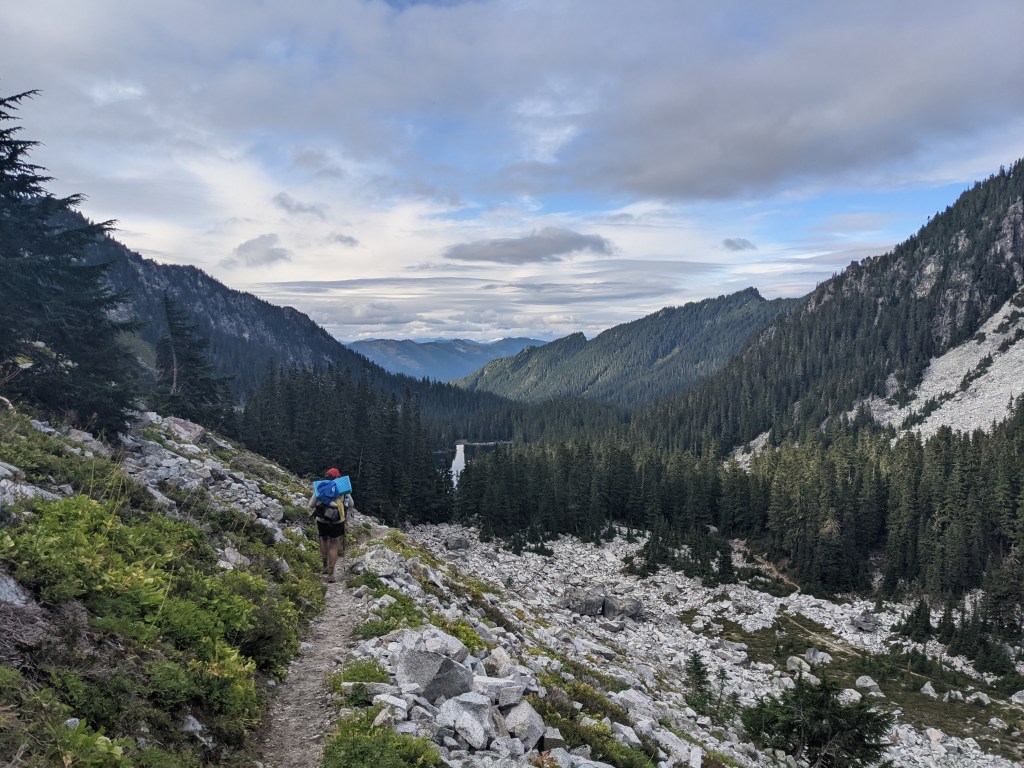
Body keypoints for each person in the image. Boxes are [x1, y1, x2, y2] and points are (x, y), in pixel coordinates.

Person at [308, 467, 353, 581]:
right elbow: (351, 504)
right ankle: (331, 574)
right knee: (334, 545)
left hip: (322, 520)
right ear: (338, 477)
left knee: (323, 540)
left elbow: (311, 505)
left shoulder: (320, 486)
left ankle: (324, 566)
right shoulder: (343, 488)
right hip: (338, 521)